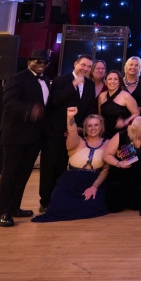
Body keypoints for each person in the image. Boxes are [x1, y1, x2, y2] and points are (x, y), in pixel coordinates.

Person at [0, 49, 51, 227]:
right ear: (29, 62)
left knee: (24, 173)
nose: (42, 65)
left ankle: (14, 207)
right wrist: (30, 110)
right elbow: (9, 102)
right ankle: (4, 212)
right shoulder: (16, 78)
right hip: (16, 135)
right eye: (38, 61)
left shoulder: (46, 81)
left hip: (35, 136)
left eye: (45, 62)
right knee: (10, 173)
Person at [40, 54, 97, 212]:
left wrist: (79, 127)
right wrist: (74, 84)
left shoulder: (90, 84)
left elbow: (89, 108)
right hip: (55, 133)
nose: (85, 69)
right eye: (83, 65)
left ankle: (58, 198)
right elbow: (55, 101)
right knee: (49, 168)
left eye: (88, 67)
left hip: (75, 135)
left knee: (64, 168)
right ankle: (45, 201)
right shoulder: (61, 80)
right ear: (75, 63)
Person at [32, 109, 109, 223]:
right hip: (71, 181)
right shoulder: (77, 141)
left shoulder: (108, 143)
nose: (93, 128)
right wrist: (70, 117)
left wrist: (94, 187)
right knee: (59, 207)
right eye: (89, 126)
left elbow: (106, 169)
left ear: (101, 127)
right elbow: (72, 131)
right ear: (84, 128)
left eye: (96, 125)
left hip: (92, 181)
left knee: (94, 207)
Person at [101, 116, 141, 213]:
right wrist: (118, 163)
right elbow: (106, 155)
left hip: (140, 178)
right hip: (120, 178)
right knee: (114, 208)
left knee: (137, 207)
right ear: (135, 131)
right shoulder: (120, 136)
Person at [98, 70, 140, 140]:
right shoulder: (101, 96)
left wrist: (125, 122)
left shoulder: (126, 96)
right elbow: (100, 116)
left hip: (122, 133)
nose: (112, 81)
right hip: (106, 132)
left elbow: (136, 113)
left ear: (119, 82)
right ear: (106, 82)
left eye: (116, 79)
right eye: (110, 79)